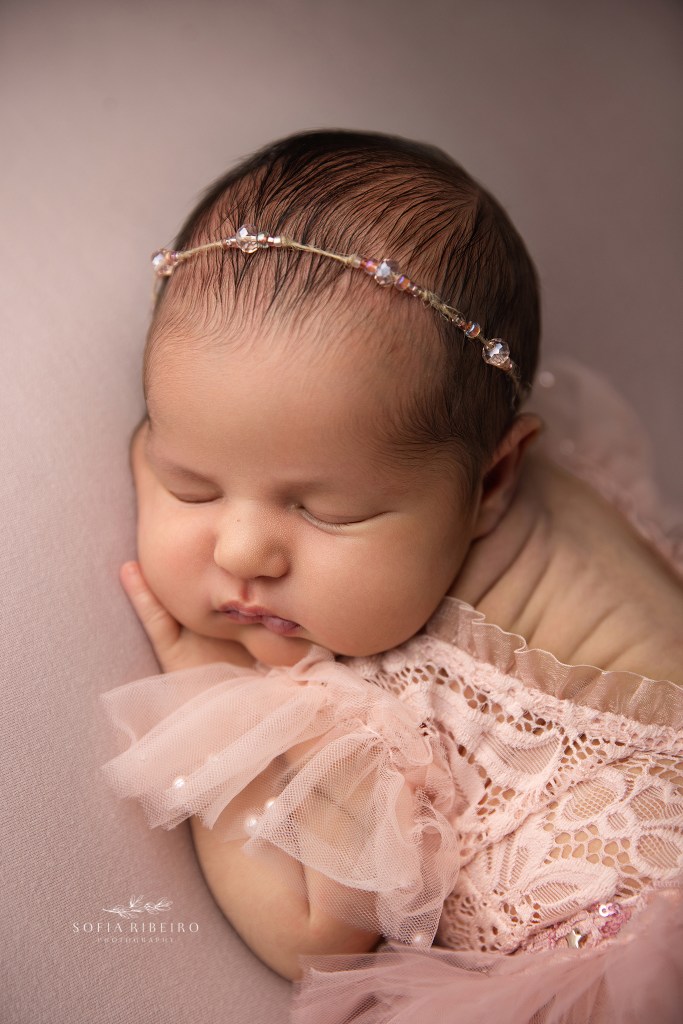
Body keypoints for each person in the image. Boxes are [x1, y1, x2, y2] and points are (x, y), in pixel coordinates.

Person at [99, 129, 683, 1023]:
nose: (243, 551)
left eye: (324, 511)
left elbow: (312, 934)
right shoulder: (473, 474)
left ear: (492, 479)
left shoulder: (376, 688)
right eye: (189, 482)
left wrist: (209, 714)